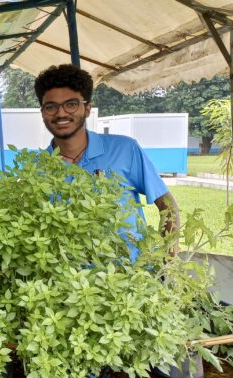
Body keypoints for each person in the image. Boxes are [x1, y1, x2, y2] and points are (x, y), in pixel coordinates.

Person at [33, 64, 180, 256]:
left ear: (87, 109)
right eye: (51, 107)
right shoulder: (36, 168)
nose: (61, 113)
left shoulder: (125, 150)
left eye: (71, 104)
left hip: (133, 280)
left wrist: (166, 262)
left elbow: (168, 206)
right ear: (43, 113)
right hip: (69, 283)